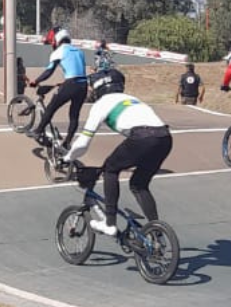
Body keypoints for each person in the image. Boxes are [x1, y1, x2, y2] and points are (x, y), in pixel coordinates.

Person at [64, 68, 173, 237]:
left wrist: (68, 157)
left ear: (100, 87)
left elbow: (83, 142)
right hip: (164, 138)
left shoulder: (101, 104)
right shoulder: (132, 99)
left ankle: (110, 223)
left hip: (141, 137)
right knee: (139, 184)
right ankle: (156, 231)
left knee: (110, 169)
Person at [29, 28, 88, 149]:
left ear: (57, 40)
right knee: (74, 115)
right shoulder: (79, 51)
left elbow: (49, 72)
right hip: (83, 85)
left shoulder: (59, 52)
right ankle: (67, 143)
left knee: (51, 107)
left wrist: (36, 81)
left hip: (71, 84)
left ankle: (38, 131)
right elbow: (77, 70)